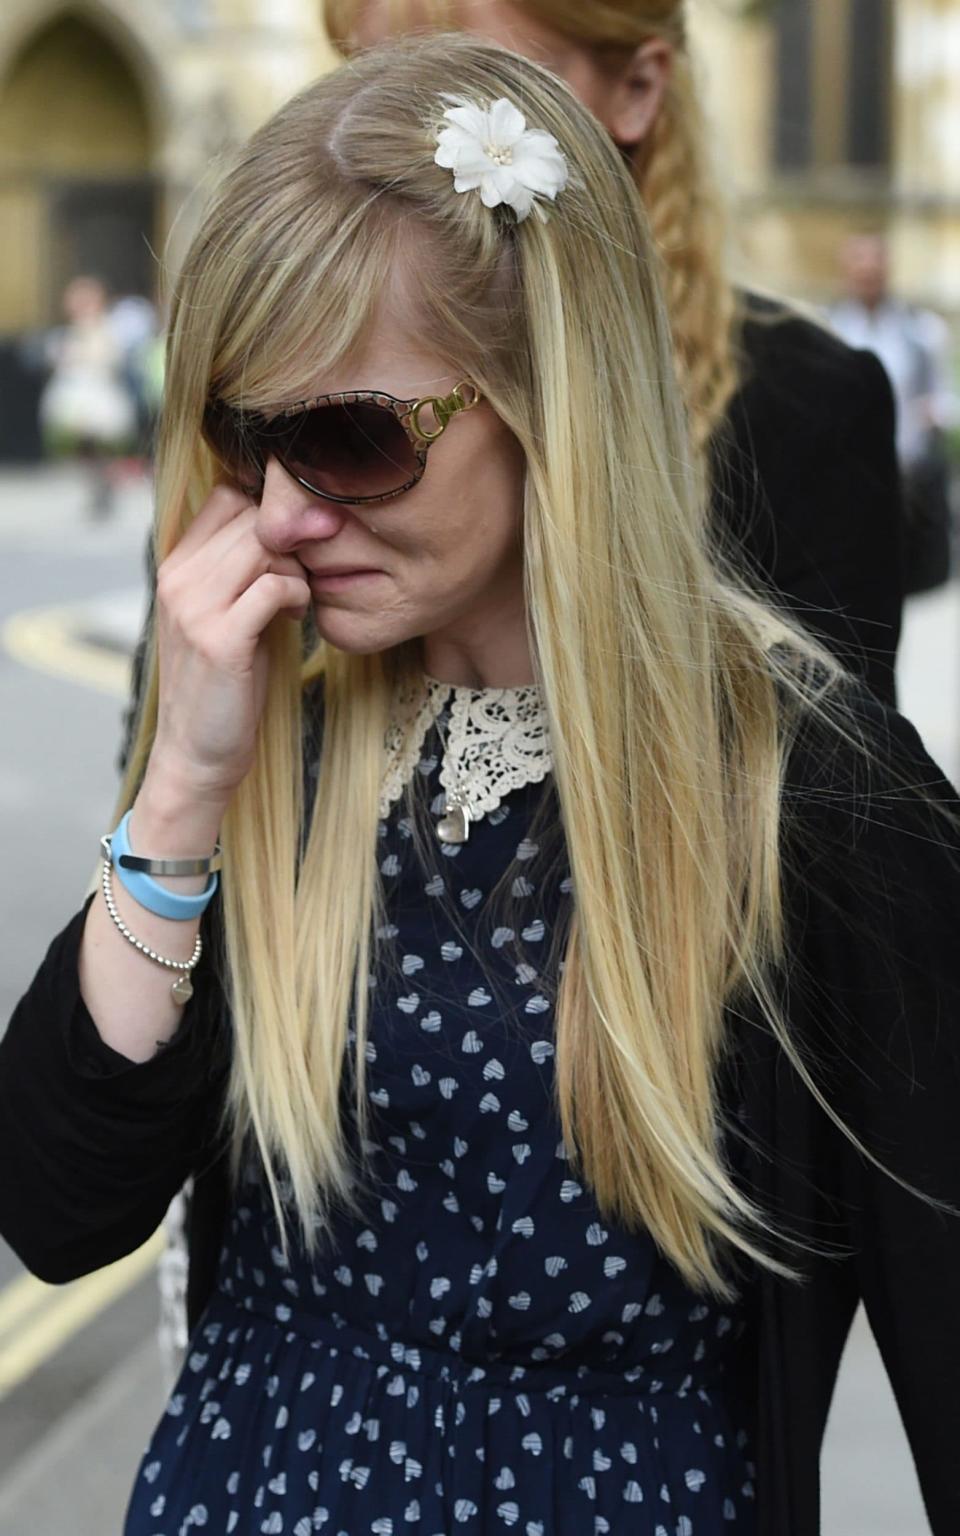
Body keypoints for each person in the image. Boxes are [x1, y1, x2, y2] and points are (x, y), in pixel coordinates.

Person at [1, 35, 959, 1536]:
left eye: (349, 438)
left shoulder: (811, 793)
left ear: (549, 398)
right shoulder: (286, 746)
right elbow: (59, 1213)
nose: (285, 514)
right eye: (245, 438)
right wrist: (181, 790)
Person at [324, 0, 906, 708]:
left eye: (472, 101)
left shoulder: (806, 404)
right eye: (372, 90)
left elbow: (844, 783)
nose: (409, 158)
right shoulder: (295, 405)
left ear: (635, 90)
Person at [831, 233, 956, 595]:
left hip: (905, 476)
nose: (868, 270)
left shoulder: (921, 332)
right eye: (859, 261)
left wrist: (932, 416)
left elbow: (943, 398)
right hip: (846, 477)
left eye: (875, 262)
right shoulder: (828, 328)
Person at [38, 274, 138, 518]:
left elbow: (110, 357)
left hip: (95, 393)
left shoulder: (104, 327)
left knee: (95, 443)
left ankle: (104, 486)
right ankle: (99, 486)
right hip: (75, 392)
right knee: (82, 445)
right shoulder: (73, 329)